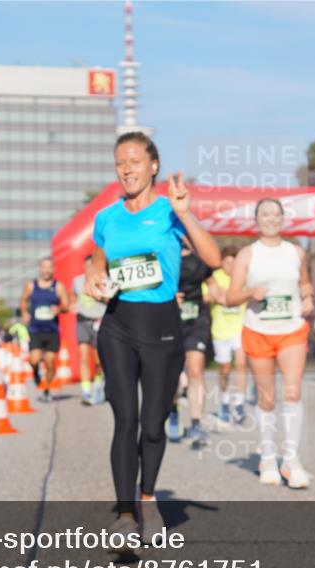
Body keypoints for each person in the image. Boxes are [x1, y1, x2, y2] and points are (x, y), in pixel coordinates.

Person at [83, 132, 220, 545]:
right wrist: (93, 276)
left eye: (135, 161)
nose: (126, 169)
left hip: (162, 326)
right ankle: (125, 514)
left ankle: (147, 496)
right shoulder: (107, 218)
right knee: (125, 418)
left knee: (154, 425)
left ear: (153, 166)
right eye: (120, 163)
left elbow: (213, 260)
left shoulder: (168, 211)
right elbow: (98, 259)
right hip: (118, 324)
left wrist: (187, 215)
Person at [227, 198, 314, 489]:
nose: (271, 219)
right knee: (267, 398)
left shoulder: (296, 252)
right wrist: (251, 292)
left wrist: (308, 297)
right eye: (265, 214)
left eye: (276, 214)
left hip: (291, 330)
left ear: (282, 218)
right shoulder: (247, 255)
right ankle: (267, 457)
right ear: (257, 219)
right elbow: (231, 296)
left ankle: (291, 460)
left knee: (292, 391)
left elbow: (304, 283)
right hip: (258, 329)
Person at [171, 240, 215, 446]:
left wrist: (222, 296)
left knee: (196, 371)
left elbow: (213, 284)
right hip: (168, 320)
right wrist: (167, 297)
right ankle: (172, 412)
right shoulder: (163, 253)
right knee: (170, 375)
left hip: (196, 319)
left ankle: (196, 423)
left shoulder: (201, 259)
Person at [204, 246, 248, 426]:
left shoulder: (243, 277)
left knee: (241, 364)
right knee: (224, 369)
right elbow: (205, 298)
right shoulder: (214, 278)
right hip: (220, 329)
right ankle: (224, 400)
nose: (231, 267)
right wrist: (217, 294)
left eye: (234, 263)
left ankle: (239, 402)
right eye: (228, 263)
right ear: (221, 262)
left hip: (240, 328)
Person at [20, 257, 70, 402]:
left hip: (52, 330)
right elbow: (23, 300)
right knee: (34, 359)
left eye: (49, 267)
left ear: (53, 269)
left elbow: (66, 305)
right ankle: (35, 371)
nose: (46, 270)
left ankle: (47, 388)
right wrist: (24, 313)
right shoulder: (31, 285)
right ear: (40, 269)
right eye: (44, 267)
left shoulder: (58, 286)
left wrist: (59, 309)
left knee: (50, 362)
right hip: (35, 329)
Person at [72, 255, 107, 405]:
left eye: (92, 267)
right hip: (82, 321)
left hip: (100, 321)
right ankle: (86, 391)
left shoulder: (104, 280)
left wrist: (99, 293)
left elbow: (109, 299)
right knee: (84, 356)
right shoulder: (77, 281)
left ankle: (98, 385)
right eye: (87, 266)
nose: (89, 270)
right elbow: (73, 298)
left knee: (99, 360)